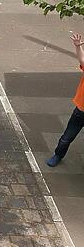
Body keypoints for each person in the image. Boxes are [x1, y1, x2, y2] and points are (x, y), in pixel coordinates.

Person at [47, 33, 84, 167]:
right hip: (80, 113)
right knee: (66, 138)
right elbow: (82, 60)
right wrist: (78, 47)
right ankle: (58, 155)